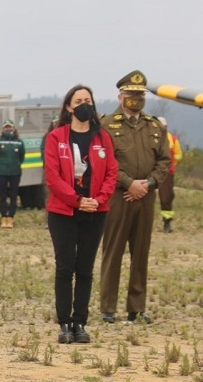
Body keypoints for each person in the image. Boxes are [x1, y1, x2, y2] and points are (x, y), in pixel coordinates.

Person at [44, 85, 118, 344]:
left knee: (85, 268)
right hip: (63, 212)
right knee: (65, 268)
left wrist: (97, 200)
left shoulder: (103, 138)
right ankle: (64, 322)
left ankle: (80, 322)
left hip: (95, 212)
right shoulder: (56, 137)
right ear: (69, 106)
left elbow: (111, 173)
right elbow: (52, 178)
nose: (84, 104)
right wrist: (77, 200)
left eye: (88, 100)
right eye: (79, 100)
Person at [99, 70, 170, 324]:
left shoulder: (155, 126)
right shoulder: (107, 125)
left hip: (146, 196)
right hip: (119, 196)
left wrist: (149, 183)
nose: (136, 99)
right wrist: (129, 183)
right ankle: (107, 307)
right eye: (131, 94)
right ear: (120, 96)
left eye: (140, 94)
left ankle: (136, 308)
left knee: (141, 252)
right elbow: (105, 161)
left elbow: (164, 160)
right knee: (113, 250)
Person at [0, 119, 25, 228]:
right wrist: (0, 165)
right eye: (6, 127)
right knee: (2, 194)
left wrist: (15, 164)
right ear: (3, 129)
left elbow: (22, 156)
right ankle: (3, 217)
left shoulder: (19, 142)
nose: (8, 129)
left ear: (14, 128)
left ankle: (11, 217)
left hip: (15, 172)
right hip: (1, 172)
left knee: (13, 195)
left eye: (10, 127)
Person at [156, 117, 183, 233]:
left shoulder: (172, 139)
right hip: (148, 171)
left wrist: (171, 166)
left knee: (166, 197)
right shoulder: (148, 137)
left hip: (167, 173)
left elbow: (178, 155)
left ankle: (167, 223)